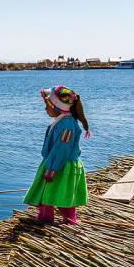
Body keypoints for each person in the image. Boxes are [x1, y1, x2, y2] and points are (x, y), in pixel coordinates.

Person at [24, 85, 90, 224]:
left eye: (47, 106)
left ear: (57, 107)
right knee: (46, 191)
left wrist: (52, 168)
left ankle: (68, 220)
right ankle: (45, 218)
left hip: (61, 165)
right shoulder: (62, 121)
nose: (45, 109)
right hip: (53, 162)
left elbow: (62, 149)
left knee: (59, 194)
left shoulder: (67, 125)